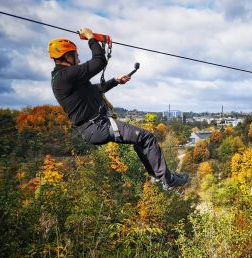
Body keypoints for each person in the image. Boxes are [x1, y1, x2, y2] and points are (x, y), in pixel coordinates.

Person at [48, 27, 188, 188]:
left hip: (94, 127)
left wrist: (116, 81)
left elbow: (95, 91)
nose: (79, 59)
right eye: (76, 55)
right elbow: (99, 61)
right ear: (67, 56)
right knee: (147, 137)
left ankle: (159, 176)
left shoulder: (64, 79)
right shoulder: (66, 76)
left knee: (141, 140)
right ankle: (167, 179)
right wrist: (91, 37)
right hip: (97, 126)